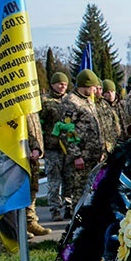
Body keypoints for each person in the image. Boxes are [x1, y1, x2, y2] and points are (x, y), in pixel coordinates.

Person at [60, 69, 107, 214]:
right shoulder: (71, 102)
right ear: (85, 85)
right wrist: (76, 155)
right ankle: (77, 222)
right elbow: (66, 131)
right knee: (79, 192)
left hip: (94, 155)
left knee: (93, 192)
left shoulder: (88, 100)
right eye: (93, 86)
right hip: (81, 157)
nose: (95, 90)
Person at [40, 71, 71, 221]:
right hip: (53, 148)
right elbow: (39, 123)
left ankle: (69, 207)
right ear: (53, 85)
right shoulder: (45, 101)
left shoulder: (70, 100)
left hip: (69, 147)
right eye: (59, 84)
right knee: (54, 180)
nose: (62, 86)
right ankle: (55, 209)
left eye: (65, 84)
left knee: (69, 180)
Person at [97, 79, 122, 150]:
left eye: (112, 91)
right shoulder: (101, 107)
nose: (110, 94)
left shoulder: (121, 105)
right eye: (107, 92)